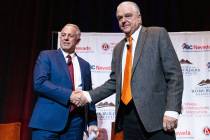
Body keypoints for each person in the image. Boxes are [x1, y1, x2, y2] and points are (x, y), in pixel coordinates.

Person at [72, 1, 183, 140]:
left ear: (139, 17)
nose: (123, 20)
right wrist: (87, 96)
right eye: (120, 18)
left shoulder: (157, 34)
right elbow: (114, 82)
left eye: (128, 16)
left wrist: (172, 110)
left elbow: (174, 75)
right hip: (128, 119)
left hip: (157, 120)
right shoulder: (118, 48)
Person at [29, 23, 98, 140]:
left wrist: (92, 122)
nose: (65, 38)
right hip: (47, 124)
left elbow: (88, 95)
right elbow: (39, 83)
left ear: (78, 40)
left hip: (75, 125)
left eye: (70, 36)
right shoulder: (46, 56)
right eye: (63, 35)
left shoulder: (85, 65)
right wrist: (69, 95)